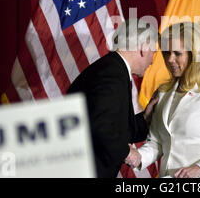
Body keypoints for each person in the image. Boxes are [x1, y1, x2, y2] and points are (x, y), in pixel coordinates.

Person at [125, 22, 200, 177]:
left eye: (177, 53)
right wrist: (137, 157)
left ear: (195, 54)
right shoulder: (163, 93)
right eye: (166, 53)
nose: (170, 59)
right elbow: (156, 142)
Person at [67, 18, 159, 178]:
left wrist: (146, 117)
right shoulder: (112, 74)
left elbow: (119, 128)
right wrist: (127, 152)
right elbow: (101, 125)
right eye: (154, 52)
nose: (152, 59)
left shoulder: (114, 69)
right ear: (144, 48)